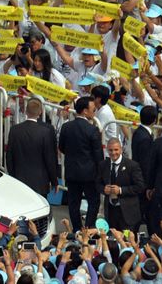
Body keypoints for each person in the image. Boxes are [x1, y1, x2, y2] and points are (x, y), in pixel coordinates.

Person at [58, 96, 103, 232]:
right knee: (93, 202)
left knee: (73, 203)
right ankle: (88, 229)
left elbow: (61, 147)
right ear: (85, 111)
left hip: (72, 172)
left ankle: (77, 229)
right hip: (89, 174)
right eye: (93, 110)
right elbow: (98, 155)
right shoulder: (92, 130)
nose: (94, 113)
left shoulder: (66, 127)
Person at [6, 97, 59, 196]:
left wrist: (13, 176)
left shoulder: (15, 130)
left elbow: (9, 156)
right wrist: (54, 181)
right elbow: (49, 159)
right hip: (40, 182)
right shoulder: (45, 132)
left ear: (26, 111)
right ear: (40, 112)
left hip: (19, 180)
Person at [96, 137, 145, 231]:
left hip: (128, 214)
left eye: (116, 150)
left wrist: (121, 190)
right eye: (110, 150)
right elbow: (97, 183)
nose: (113, 153)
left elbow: (140, 187)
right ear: (107, 150)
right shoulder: (103, 165)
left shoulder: (132, 165)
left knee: (127, 241)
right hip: (110, 212)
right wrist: (103, 189)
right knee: (112, 241)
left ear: (121, 149)